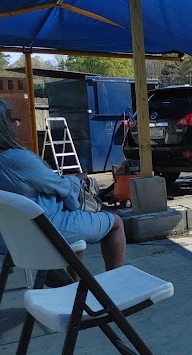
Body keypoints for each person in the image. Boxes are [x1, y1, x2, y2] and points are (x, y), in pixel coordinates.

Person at [0, 99, 124, 271]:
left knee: (73, 219)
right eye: (14, 120)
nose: (16, 125)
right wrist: (77, 179)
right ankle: (115, 279)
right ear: (5, 125)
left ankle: (70, 283)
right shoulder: (16, 159)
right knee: (115, 223)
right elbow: (61, 187)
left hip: (9, 238)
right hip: (44, 232)